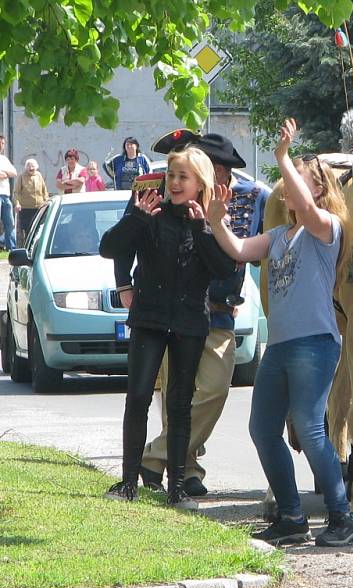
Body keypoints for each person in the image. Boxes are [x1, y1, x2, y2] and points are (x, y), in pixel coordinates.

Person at [201, 118, 353, 547]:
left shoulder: (326, 225)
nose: (286, 189)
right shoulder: (276, 236)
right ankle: (292, 517)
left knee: (310, 430)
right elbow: (236, 250)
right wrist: (217, 221)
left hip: (316, 344)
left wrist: (284, 156)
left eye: (297, 183)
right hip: (282, 346)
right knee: (262, 429)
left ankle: (342, 516)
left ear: (319, 190)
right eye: (286, 182)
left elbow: (307, 209)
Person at [121, 130, 268, 497]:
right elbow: (125, 239)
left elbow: (266, 246)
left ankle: (154, 457)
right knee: (175, 400)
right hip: (171, 310)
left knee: (214, 390)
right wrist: (125, 284)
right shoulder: (157, 187)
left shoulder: (253, 196)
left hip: (220, 311)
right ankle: (187, 472)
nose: (211, 173)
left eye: (218, 167)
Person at [99, 147, 236, 510]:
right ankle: (129, 482)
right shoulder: (149, 207)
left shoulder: (209, 216)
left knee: (179, 404)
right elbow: (109, 247)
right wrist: (137, 219)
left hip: (190, 319)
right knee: (139, 396)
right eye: (172, 175)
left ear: (199, 183)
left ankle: (176, 488)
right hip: (150, 316)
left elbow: (225, 269)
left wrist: (204, 228)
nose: (175, 183)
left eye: (183, 177)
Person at [13, 158, 49, 245]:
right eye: (28, 166)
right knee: (27, 229)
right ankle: (27, 246)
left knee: (38, 228)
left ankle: (37, 245)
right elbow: (17, 192)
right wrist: (17, 203)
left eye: (33, 166)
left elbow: (44, 190)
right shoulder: (21, 176)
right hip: (26, 208)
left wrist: (46, 200)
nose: (31, 168)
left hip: (39, 207)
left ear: (36, 167)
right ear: (26, 167)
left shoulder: (39, 175)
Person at [0, 134, 18, 250]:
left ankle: (11, 248)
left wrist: (4, 173)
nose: (1, 145)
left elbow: (14, 173)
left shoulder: (4, 159)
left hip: (5, 195)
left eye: (2, 143)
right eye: (0, 143)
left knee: (10, 223)